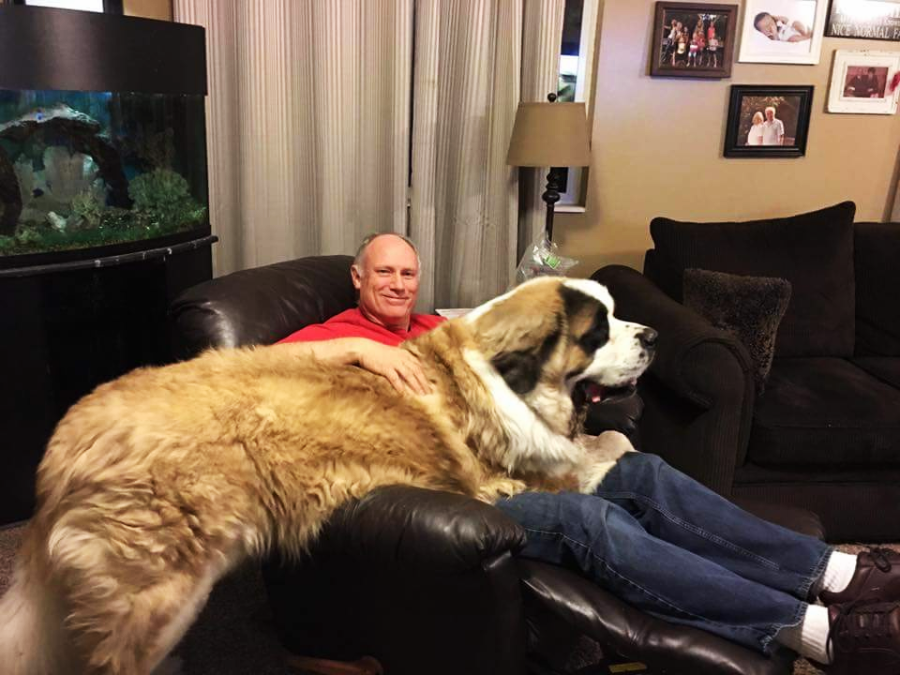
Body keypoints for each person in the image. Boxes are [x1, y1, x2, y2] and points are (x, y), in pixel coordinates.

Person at [278, 232, 900, 673]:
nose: (397, 285)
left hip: (511, 460)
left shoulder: (434, 327)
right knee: (588, 519)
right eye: (383, 273)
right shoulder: (332, 336)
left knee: (643, 471)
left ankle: (835, 574)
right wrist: (358, 351)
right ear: (357, 278)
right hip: (452, 492)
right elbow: (250, 370)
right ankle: (815, 632)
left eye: (407, 274)